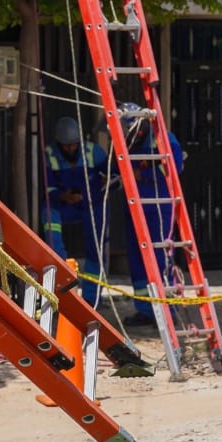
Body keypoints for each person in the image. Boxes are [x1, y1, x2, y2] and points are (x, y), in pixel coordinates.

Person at [117, 106, 185, 328]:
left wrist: (142, 174)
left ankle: (169, 310)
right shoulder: (129, 141)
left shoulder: (163, 138)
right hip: (135, 206)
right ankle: (145, 310)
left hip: (159, 205)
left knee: (160, 257)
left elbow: (175, 168)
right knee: (137, 259)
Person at [42, 115, 109, 307]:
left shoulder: (94, 152)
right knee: (48, 215)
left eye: (73, 144)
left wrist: (106, 183)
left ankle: (92, 297)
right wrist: (64, 196)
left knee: (96, 246)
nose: (70, 148)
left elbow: (113, 176)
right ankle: (63, 287)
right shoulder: (49, 155)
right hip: (62, 204)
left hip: (90, 205)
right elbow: (47, 187)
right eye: (66, 145)